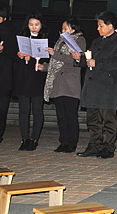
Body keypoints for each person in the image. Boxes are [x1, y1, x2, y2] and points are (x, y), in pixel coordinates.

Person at [75, 11, 117, 159]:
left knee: (108, 120)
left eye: (101, 26)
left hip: (107, 87)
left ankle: (108, 147)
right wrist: (80, 59)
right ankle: (94, 145)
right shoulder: (97, 41)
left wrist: (97, 63)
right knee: (92, 119)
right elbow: (89, 59)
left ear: (111, 26)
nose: (98, 29)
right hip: (92, 86)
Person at [45, 17, 86, 153]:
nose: (62, 31)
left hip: (70, 84)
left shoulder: (80, 40)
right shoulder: (59, 42)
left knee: (70, 115)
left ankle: (72, 143)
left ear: (73, 29)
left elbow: (74, 60)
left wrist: (55, 54)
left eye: (65, 28)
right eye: (62, 28)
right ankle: (63, 142)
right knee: (61, 116)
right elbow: (54, 65)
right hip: (58, 84)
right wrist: (44, 67)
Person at [14, 12, 49, 151]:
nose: (34, 28)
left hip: (37, 79)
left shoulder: (46, 39)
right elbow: (13, 59)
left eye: (37, 25)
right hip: (23, 79)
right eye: (31, 24)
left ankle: (34, 139)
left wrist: (35, 60)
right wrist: (20, 56)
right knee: (23, 110)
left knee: (37, 110)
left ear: (41, 25)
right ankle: (24, 138)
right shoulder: (22, 37)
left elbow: (47, 61)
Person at [0, 7, 16, 148]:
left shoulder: (8, 32)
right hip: (4, 78)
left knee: (1, 109)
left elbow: (13, 53)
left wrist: (3, 49)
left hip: (3, 78)